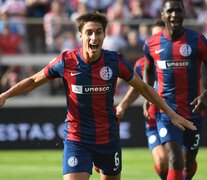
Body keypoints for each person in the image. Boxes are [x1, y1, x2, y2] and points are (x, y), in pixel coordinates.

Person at [0, 11, 196, 180]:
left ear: (104, 34)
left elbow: (143, 88)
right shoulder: (66, 61)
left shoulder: (114, 61)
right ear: (80, 35)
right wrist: (6, 94)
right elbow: (34, 81)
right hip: (77, 140)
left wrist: (171, 113)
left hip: (108, 140)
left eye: (98, 32)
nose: (94, 37)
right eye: (89, 33)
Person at [143, 0, 207, 179]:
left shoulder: (198, 40)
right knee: (175, 159)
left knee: (188, 161)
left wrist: (205, 94)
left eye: (178, 11)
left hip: (193, 110)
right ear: (162, 15)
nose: (174, 15)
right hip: (166, 112)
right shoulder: (151, 43)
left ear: (184, 13)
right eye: (169, 11)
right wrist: (148, 97)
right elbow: (147, 70)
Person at [116, 20, 169, 180]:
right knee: (162, 161)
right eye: (155, 35)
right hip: (153, 119)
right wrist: (122, 106)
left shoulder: (176, 62)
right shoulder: (141, 65)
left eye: (162, 34)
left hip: (176, 117)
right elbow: (137, 88)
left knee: (183, 161)